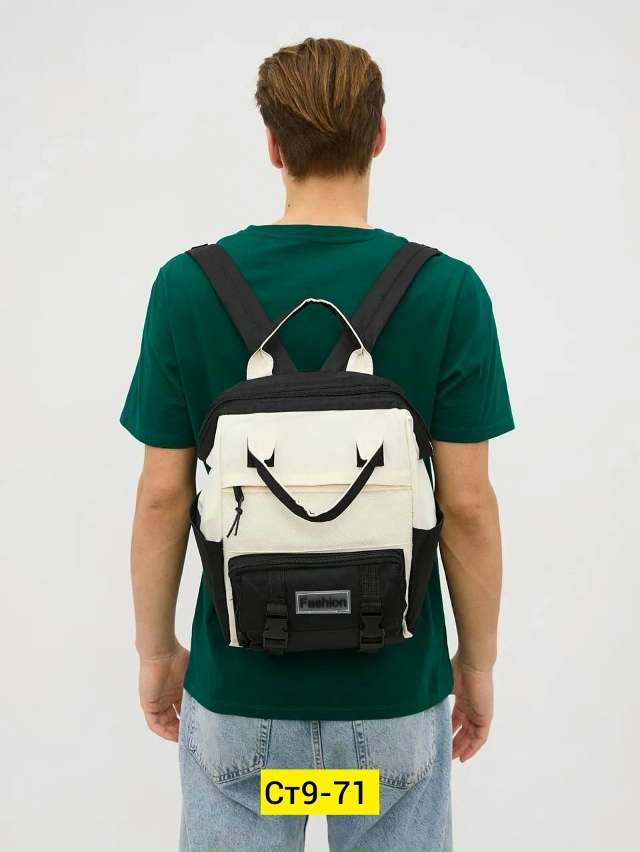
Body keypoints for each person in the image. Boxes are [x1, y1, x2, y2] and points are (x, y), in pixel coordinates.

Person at [120, 36, 514, 852]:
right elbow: (468, 506)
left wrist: (157, 654)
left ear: (273, 145)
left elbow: (161, 496)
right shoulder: (449, 292)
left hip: (239, 695)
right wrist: (475, 666)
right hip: (395, 695)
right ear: (379, 136)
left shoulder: (187, 287)